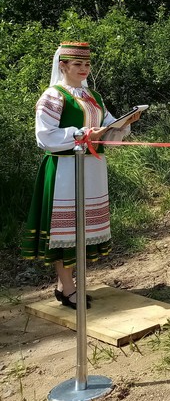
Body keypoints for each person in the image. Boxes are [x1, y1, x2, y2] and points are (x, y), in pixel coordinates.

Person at [21, 42, 140, 310]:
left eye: (86, 64)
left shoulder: (93, 96)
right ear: (63, 65)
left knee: (82, 228)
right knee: (66, 230)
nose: (84, 69)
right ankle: (69, 287)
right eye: (78, 64)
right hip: (64, 169)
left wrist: (124, 123)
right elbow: (45, 136)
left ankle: (66, 286)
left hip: (91, 168)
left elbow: (108, 128)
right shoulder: (53, 96)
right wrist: (83, 134)